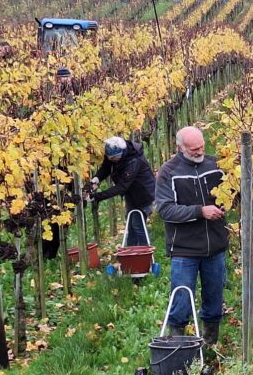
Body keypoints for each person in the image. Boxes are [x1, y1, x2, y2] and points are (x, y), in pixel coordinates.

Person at [154, 126, 230, 348]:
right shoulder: (169, 172)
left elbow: (231, 192)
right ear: (180, 148)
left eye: (202, 147)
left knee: (214, 295)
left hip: (215, 245)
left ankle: (210, 342)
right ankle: (177, 342)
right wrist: (200, 211)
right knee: (182, 297)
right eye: (194, 149)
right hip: (184, 248)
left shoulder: (216, 165)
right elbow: (166, 210)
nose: (199, 152)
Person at [90, 136, 156, 247]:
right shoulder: (114, 151)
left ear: (122, 152)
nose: (112, 160)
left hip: (144, 194)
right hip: (131, 194)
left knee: (138, 225)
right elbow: (106, 167)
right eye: (110, 158)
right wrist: (96, 178)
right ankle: (131, 255)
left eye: (114, 158)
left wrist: (97, 196)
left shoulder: (134, 161)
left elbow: (122, 187)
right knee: (131, 225)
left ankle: (145, 254)